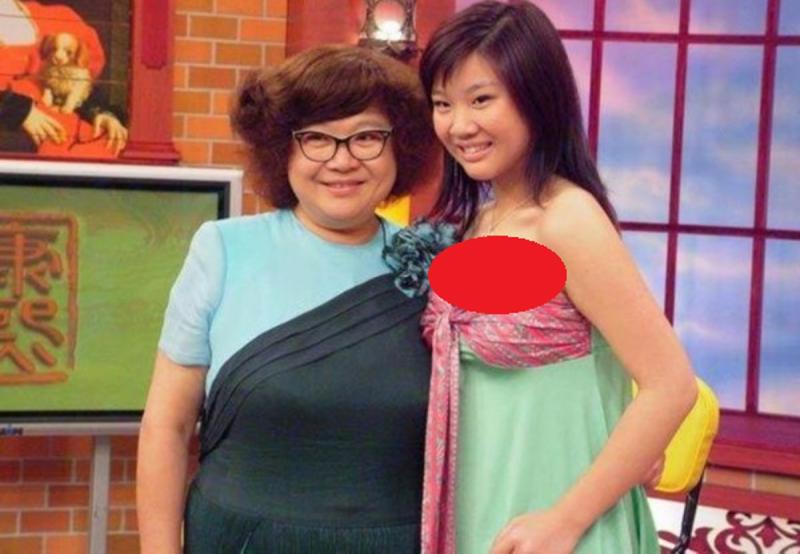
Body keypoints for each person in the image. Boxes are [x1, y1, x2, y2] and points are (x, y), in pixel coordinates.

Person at [417, 2, 698, 553]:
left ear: (537, 98)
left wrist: (565, 520)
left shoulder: (566, 218)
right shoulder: (480, 219)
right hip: (481, 502)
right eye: (443, 104)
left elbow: (671, 385)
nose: (459, 125)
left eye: (481, 100)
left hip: (554, 519)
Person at [136, 45, 439, 554]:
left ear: (400, 147)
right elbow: (167, 426)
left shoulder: (431, 264)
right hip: (239, 541)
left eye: (367, 137)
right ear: (282, 150)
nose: (342, 160)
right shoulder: (223, 249)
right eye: (316, 138)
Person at [0, 0, 127, 156]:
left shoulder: (59, 18)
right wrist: (18, 111)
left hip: (78, 143)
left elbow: (80, 84)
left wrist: (99, 113)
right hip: (22, 151)